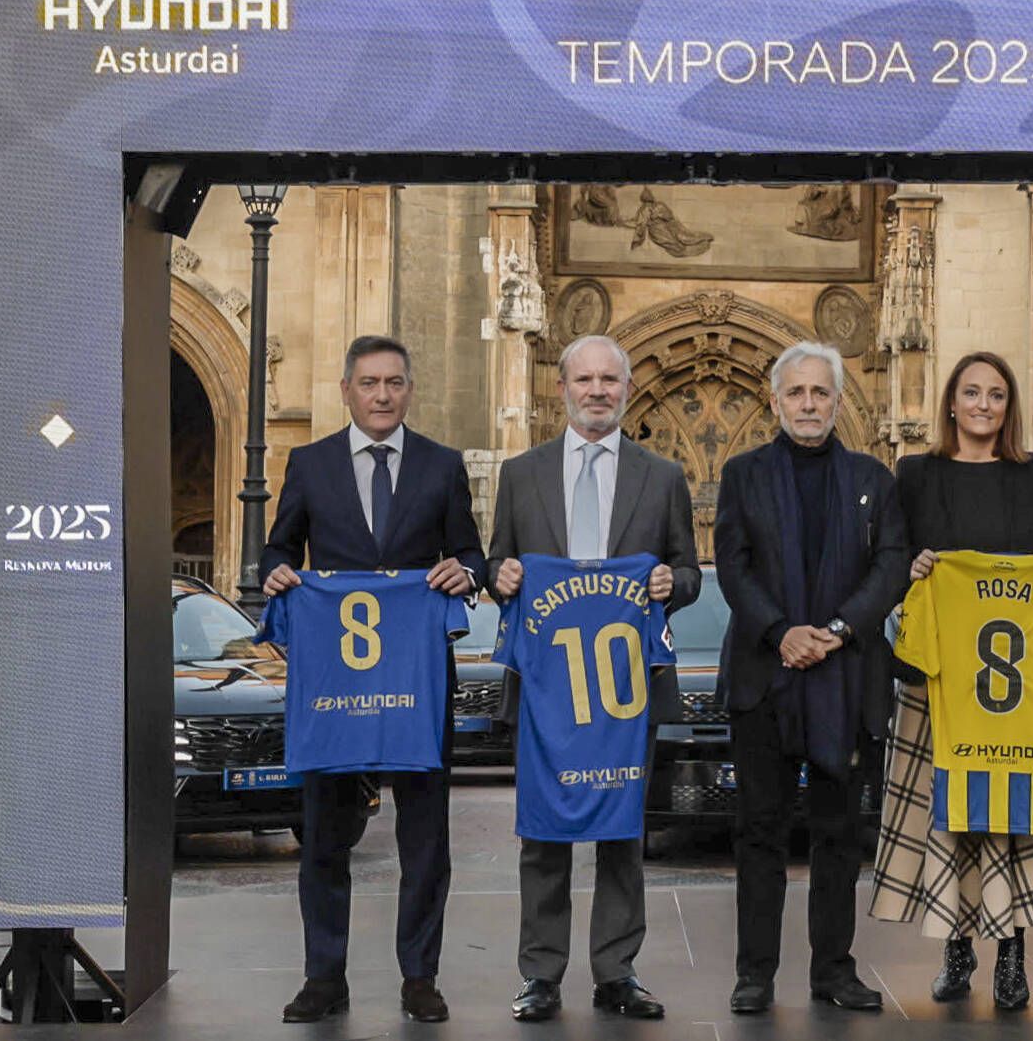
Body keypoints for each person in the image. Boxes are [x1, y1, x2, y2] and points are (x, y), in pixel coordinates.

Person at [260, 335, 486, 1024]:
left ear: (408, 390)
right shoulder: (309, 462)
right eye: (368, 383)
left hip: (417, 683)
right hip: (336, 684)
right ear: (345, 391)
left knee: (425, 836)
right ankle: (323, 978)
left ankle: (420, 978)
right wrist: (274, 571)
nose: (382, 395)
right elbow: (276, 545)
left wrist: (465, 571)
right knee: (325, 835)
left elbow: (471, 549)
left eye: (393, 383)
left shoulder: (442, 466)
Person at [869, 351, 1033, 1010]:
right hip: (941, 677)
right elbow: (891, 559)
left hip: (1018, 688)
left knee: (1014, 821)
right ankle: (956, 947)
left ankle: (1012, 955)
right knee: (952, 819)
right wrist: (910, 568)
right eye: (970, 393)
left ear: (1008, 406)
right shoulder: (913, 474)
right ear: (949, 402)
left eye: (996, 395)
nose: (982, 405)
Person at [485, 334, 701, 1023]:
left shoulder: (661, 475)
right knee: (543, 836)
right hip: (548, 690)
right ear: (562, 389)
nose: (598, 391)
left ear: (627, 388)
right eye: (585, 380)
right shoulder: (521, 475)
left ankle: (616, 973)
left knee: (621, 835)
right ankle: (540, 977)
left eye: (610, 380)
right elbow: (497, 565)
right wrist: (504, 577)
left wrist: (674, 582)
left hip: (624, 691)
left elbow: (689, 571)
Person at [714, 341, 909, 1014]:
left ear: (836, 401)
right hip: (764, 679)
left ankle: (833, 970)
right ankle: (754, 974)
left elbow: (890, 566)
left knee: (839, 835)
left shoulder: (873, 480)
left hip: (846, 677)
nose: (807, 404)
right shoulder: (741, 475)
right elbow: (733, 566)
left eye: (819, 393)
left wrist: (837, 629)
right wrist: (781, 632)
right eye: (795, 393)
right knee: (759, 831)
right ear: (774, 401)